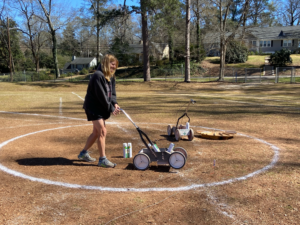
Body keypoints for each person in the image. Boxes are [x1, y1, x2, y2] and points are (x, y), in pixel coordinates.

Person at [78, 54, 120, 168]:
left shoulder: (110, 77)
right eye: (112, 65)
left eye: (115, 66)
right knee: (102, 132)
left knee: (96, 132)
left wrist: (115, 104)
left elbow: (113, 93)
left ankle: (83, 153)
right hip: (93, 107)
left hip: (101, 107)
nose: (114, 68)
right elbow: (101, 96)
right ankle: (102, 160)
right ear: (106, 63)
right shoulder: (98, 75)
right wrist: (111, 108)